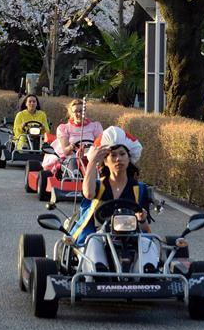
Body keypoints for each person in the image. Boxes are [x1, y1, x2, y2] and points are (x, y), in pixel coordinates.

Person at [69, 126, 158, 274]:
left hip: (130, 236)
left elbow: (145, 228)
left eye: (122, 154)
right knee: (93, 241)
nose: (118, 159)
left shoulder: (139, 189)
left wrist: (141, 219)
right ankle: (98, 271)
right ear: (105, 161)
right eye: (113, 155)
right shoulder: (99, 186)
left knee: (148, 243)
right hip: (100, 233)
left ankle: (147, 272)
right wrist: (92, 162)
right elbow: (88, 193)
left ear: (129, 159)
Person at [44, 99, 102, 170]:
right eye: (76, 112)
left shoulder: (95, 126)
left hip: (90, 157)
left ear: (85, 112)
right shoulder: (64, 128)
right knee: (73, 161)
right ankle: (74, 178)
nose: (79, 114)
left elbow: (99, 145)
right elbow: (65, 151)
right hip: (72, 158)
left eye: (81, 111)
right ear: (71, 113)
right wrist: (71, 147)